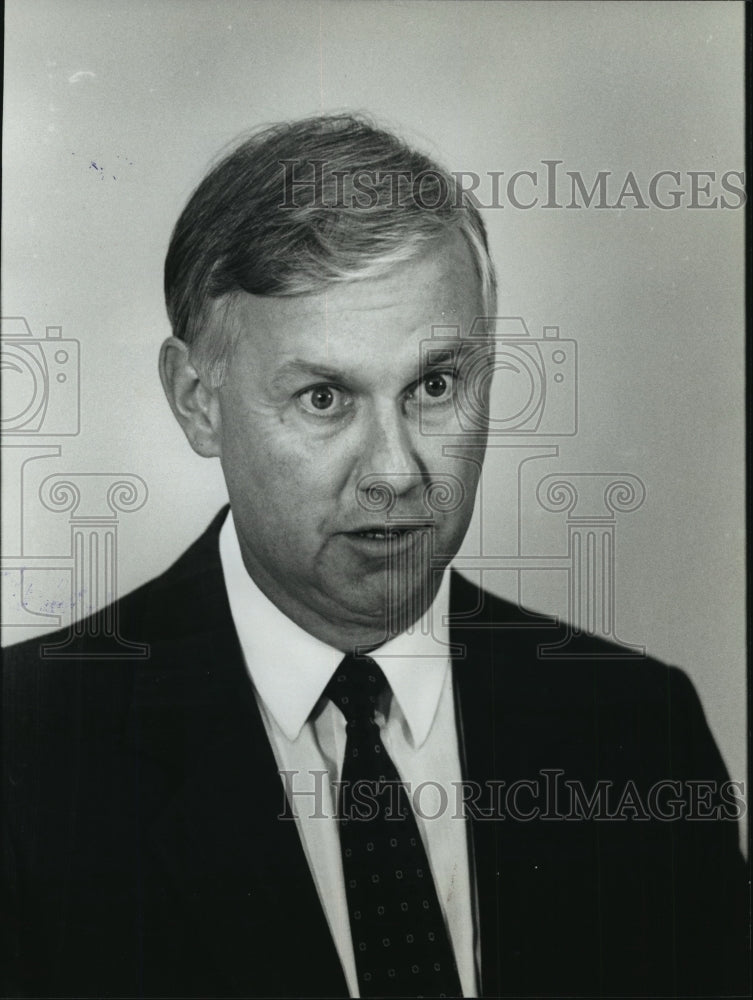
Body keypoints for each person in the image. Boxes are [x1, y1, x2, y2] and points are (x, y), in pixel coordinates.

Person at [2, 113, 747, 998]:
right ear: (196, 400)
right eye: (324, 397)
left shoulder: (639, 731)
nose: (395, 472)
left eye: (435, 387)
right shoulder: (28, 755)